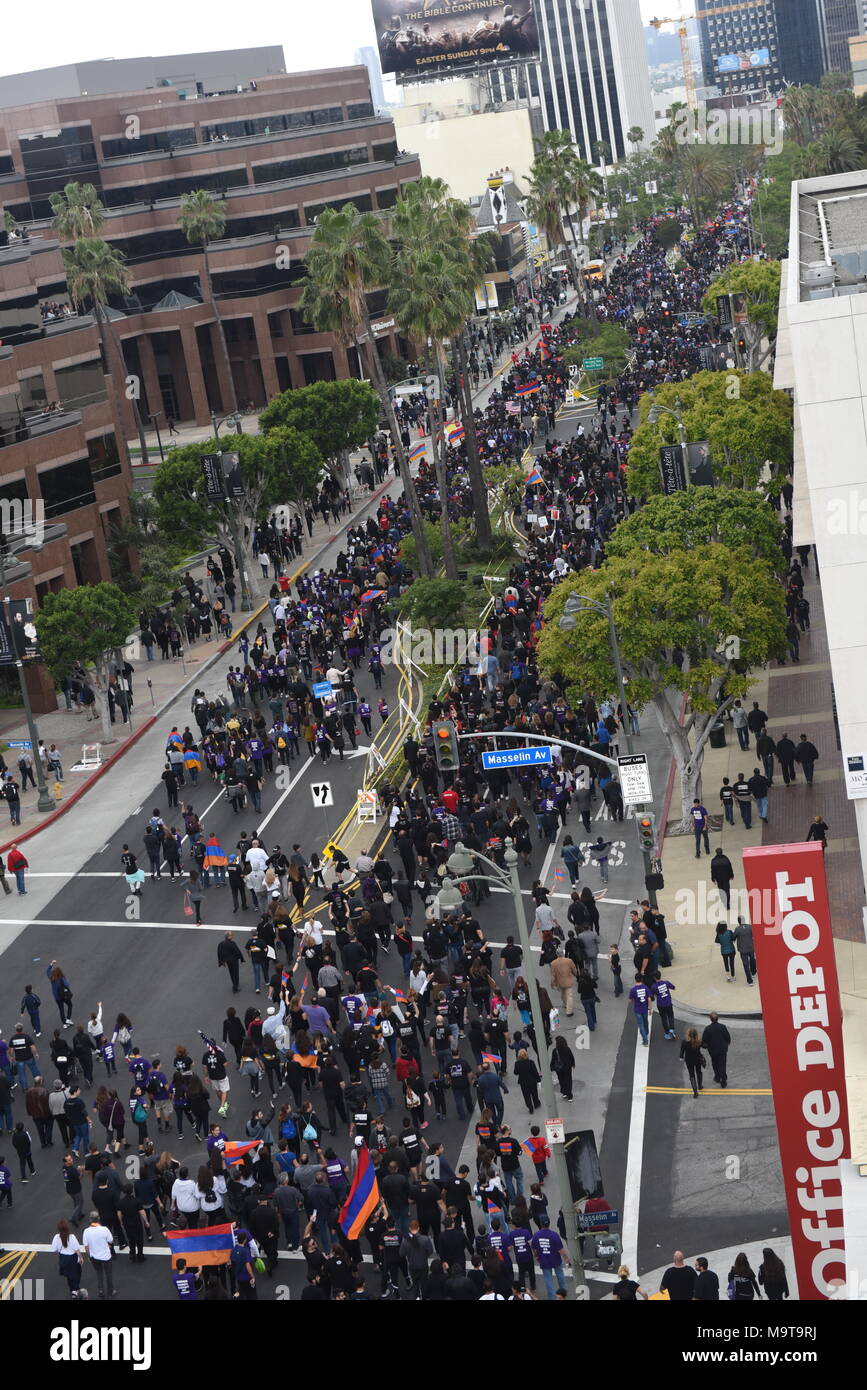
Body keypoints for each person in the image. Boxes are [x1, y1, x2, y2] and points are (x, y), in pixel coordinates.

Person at [530, 1223, 569, 1300]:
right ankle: (563, 1292)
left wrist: (536, 1256)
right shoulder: (554, 1235)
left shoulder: (536, 1235)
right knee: (560, 1274)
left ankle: (552, 1297)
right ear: (549, 1224)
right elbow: (560, 1250)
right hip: (556, 1259)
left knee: (548, 1279)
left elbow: (533, 1247)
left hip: (544, 1260)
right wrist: (565, 1257)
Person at [82, 1210, 116, 1299]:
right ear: (99, 1218)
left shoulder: (86, 1231)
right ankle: (111, 1291)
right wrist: (108, 1245)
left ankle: (101, 1291)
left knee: (99, 1273)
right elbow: (111, 1240)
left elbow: (86, 1247)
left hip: (94, 1257)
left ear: (90, 1220)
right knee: (108, 1274)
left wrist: (89, 1256)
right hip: (106, 1257)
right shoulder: (104, 1229)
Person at [52, 1219, 84, 1299]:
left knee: (69, 1276)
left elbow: (54, 1249)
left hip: (63, 1258)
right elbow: (77, 1249)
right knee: (77, 1274)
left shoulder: (56, 1237)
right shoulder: (71, 1237)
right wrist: (81, 1258)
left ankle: (72, 1290)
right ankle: (76, 1290)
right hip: (72, 1259)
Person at [702, 1012, 731, 1087]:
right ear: (718, 1018)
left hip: (713, 1050)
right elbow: (728, 1038)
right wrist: (726, 1044)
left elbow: (704, 1041)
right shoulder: (722, 1027)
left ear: (710, 1019)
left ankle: (717, 1077)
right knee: (722, 1064)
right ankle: (723, 1080)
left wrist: (707, 1046)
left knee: (715, 1064)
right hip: (722, 1050)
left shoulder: (707, 1029)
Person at [679, 1028, 706, 1098]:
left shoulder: (684, 1042)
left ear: (689, 1034)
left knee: (691, 1075)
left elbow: (682, 1051)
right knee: (699, 1071)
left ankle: (695, 1092)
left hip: (689, 1060)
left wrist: (681, 1057)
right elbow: (705, 1046)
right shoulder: (699, 1041)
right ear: (696, 1034)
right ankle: (700, 1086)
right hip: (697, 1059)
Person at [628, 973, 651, 1046]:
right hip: (644, 1008)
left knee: (641, 1025)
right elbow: (649, 999)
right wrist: (650, 1008)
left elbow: (630, 1000)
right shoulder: (645, 987)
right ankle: (646, 1033)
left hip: (637, 1010)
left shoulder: (633, 989)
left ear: (635, 979)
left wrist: (633, 999)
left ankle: (645, 1040)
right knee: (646, 1022)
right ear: (642, 979)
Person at [733, 916, 756, 986]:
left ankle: (750, 981)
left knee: (746, 965)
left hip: (743, 950)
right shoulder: (750, 927)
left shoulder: (737, 929)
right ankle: (753, 972)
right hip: (751, 947)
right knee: (752, 960)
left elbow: (733, 938)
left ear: (738, 921)